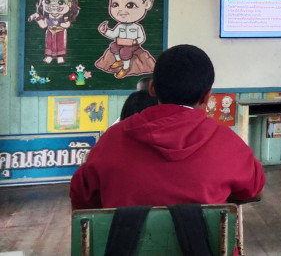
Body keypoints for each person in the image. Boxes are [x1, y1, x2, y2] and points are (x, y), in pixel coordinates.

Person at [71, 44, 265, 209]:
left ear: (152, 88)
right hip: (202, 241)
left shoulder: (112, 139)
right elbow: (255, 191)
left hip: (126, 240)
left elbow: (82, 198)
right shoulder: (226, 143)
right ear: (207, 96)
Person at [95, 0, 157, 79]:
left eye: (130, 5)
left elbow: (141, 38)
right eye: (115, 4)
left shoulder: (137, 27)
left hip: (132, 45)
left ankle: (125, 67)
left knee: (125, 51)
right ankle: (119, 61)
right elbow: (114, 34)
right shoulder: (120, 26)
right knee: (113, 46)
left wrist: (135, 42)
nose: (121, 11)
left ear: (146, 4)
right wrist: (105, 31)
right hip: (120, 43)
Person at [27, 0, 80, 64]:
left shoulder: (64, 17)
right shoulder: (48, 17)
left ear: (70, 4)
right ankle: (49, 55)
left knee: (60, 44)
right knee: (49, 44)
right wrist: (37, 18)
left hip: (60, 32)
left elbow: (67, 24)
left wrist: (60, 24)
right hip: (50, 31)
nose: (54, 5)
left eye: (61, 1)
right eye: (48, 1)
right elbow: (43, 25)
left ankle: (60, 56)